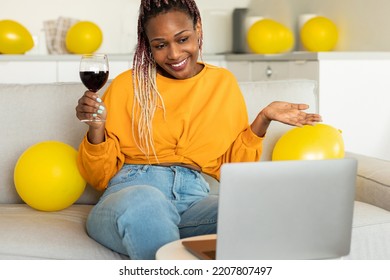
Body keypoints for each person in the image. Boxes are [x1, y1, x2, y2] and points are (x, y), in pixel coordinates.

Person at [75, 0, 321, 260]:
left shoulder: (221, 84)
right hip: (132, 195)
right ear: (149, 46)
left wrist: (263, 119)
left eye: (182, 39)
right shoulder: (128, 85)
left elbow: (233, 171)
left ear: (198, 29)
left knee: (262, 210)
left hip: (193, 202)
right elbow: (99, 177)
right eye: (160, 45)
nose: (174, 54)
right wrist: (96, 129)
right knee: (147, 203)